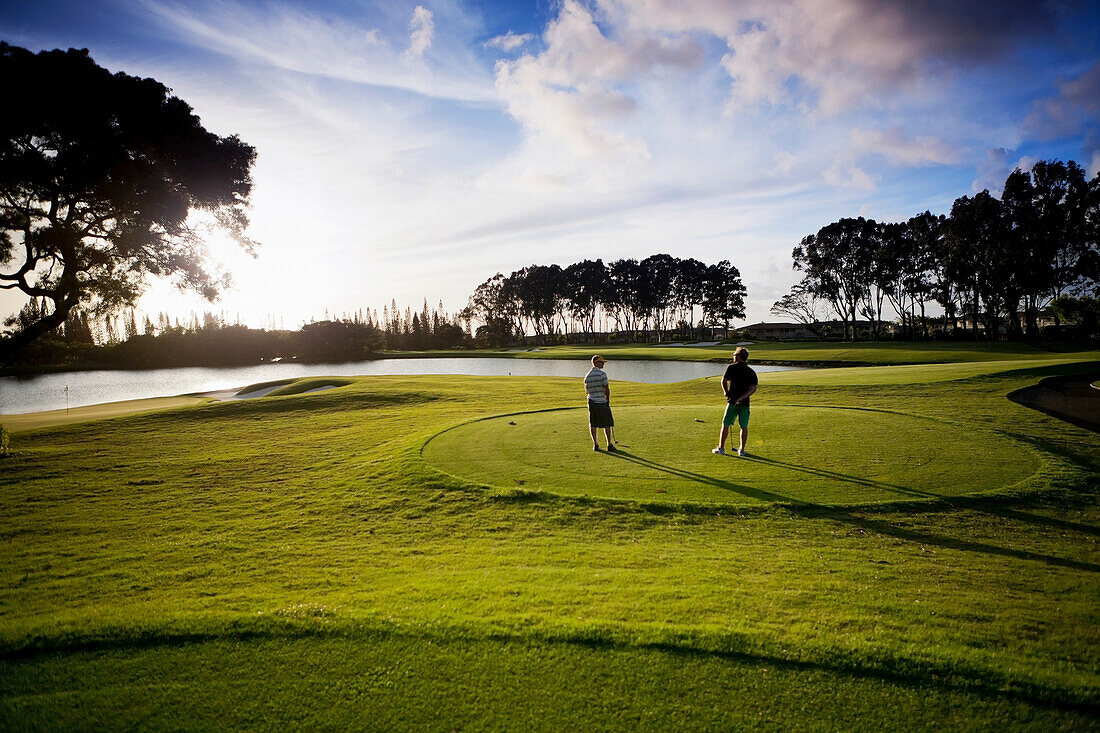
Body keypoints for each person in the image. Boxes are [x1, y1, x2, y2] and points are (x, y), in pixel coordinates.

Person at [713, 346, 757, 457]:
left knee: (725, 424)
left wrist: (725, 392)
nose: (733, 357)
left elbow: (723, 380)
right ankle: (742, 450)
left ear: (738, 356)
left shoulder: (731, 368)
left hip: (732, 402)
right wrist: (743, 397)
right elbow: (753, 389)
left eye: (734, 355)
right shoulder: (751, 371)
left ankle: (721, 448)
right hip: (745, 403)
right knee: (744, 426)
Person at [584, 354, 616, 452]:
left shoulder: (587, 376)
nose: (603, 364)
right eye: (601, 362)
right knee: (607, 423)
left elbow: (587, 391)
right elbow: (606, 389)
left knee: (593, 423)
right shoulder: (602, 374)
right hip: (602, 401)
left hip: (591, 401)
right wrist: (608, 400)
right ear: (596, 362)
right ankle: (609, 444)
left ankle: (595, 445)